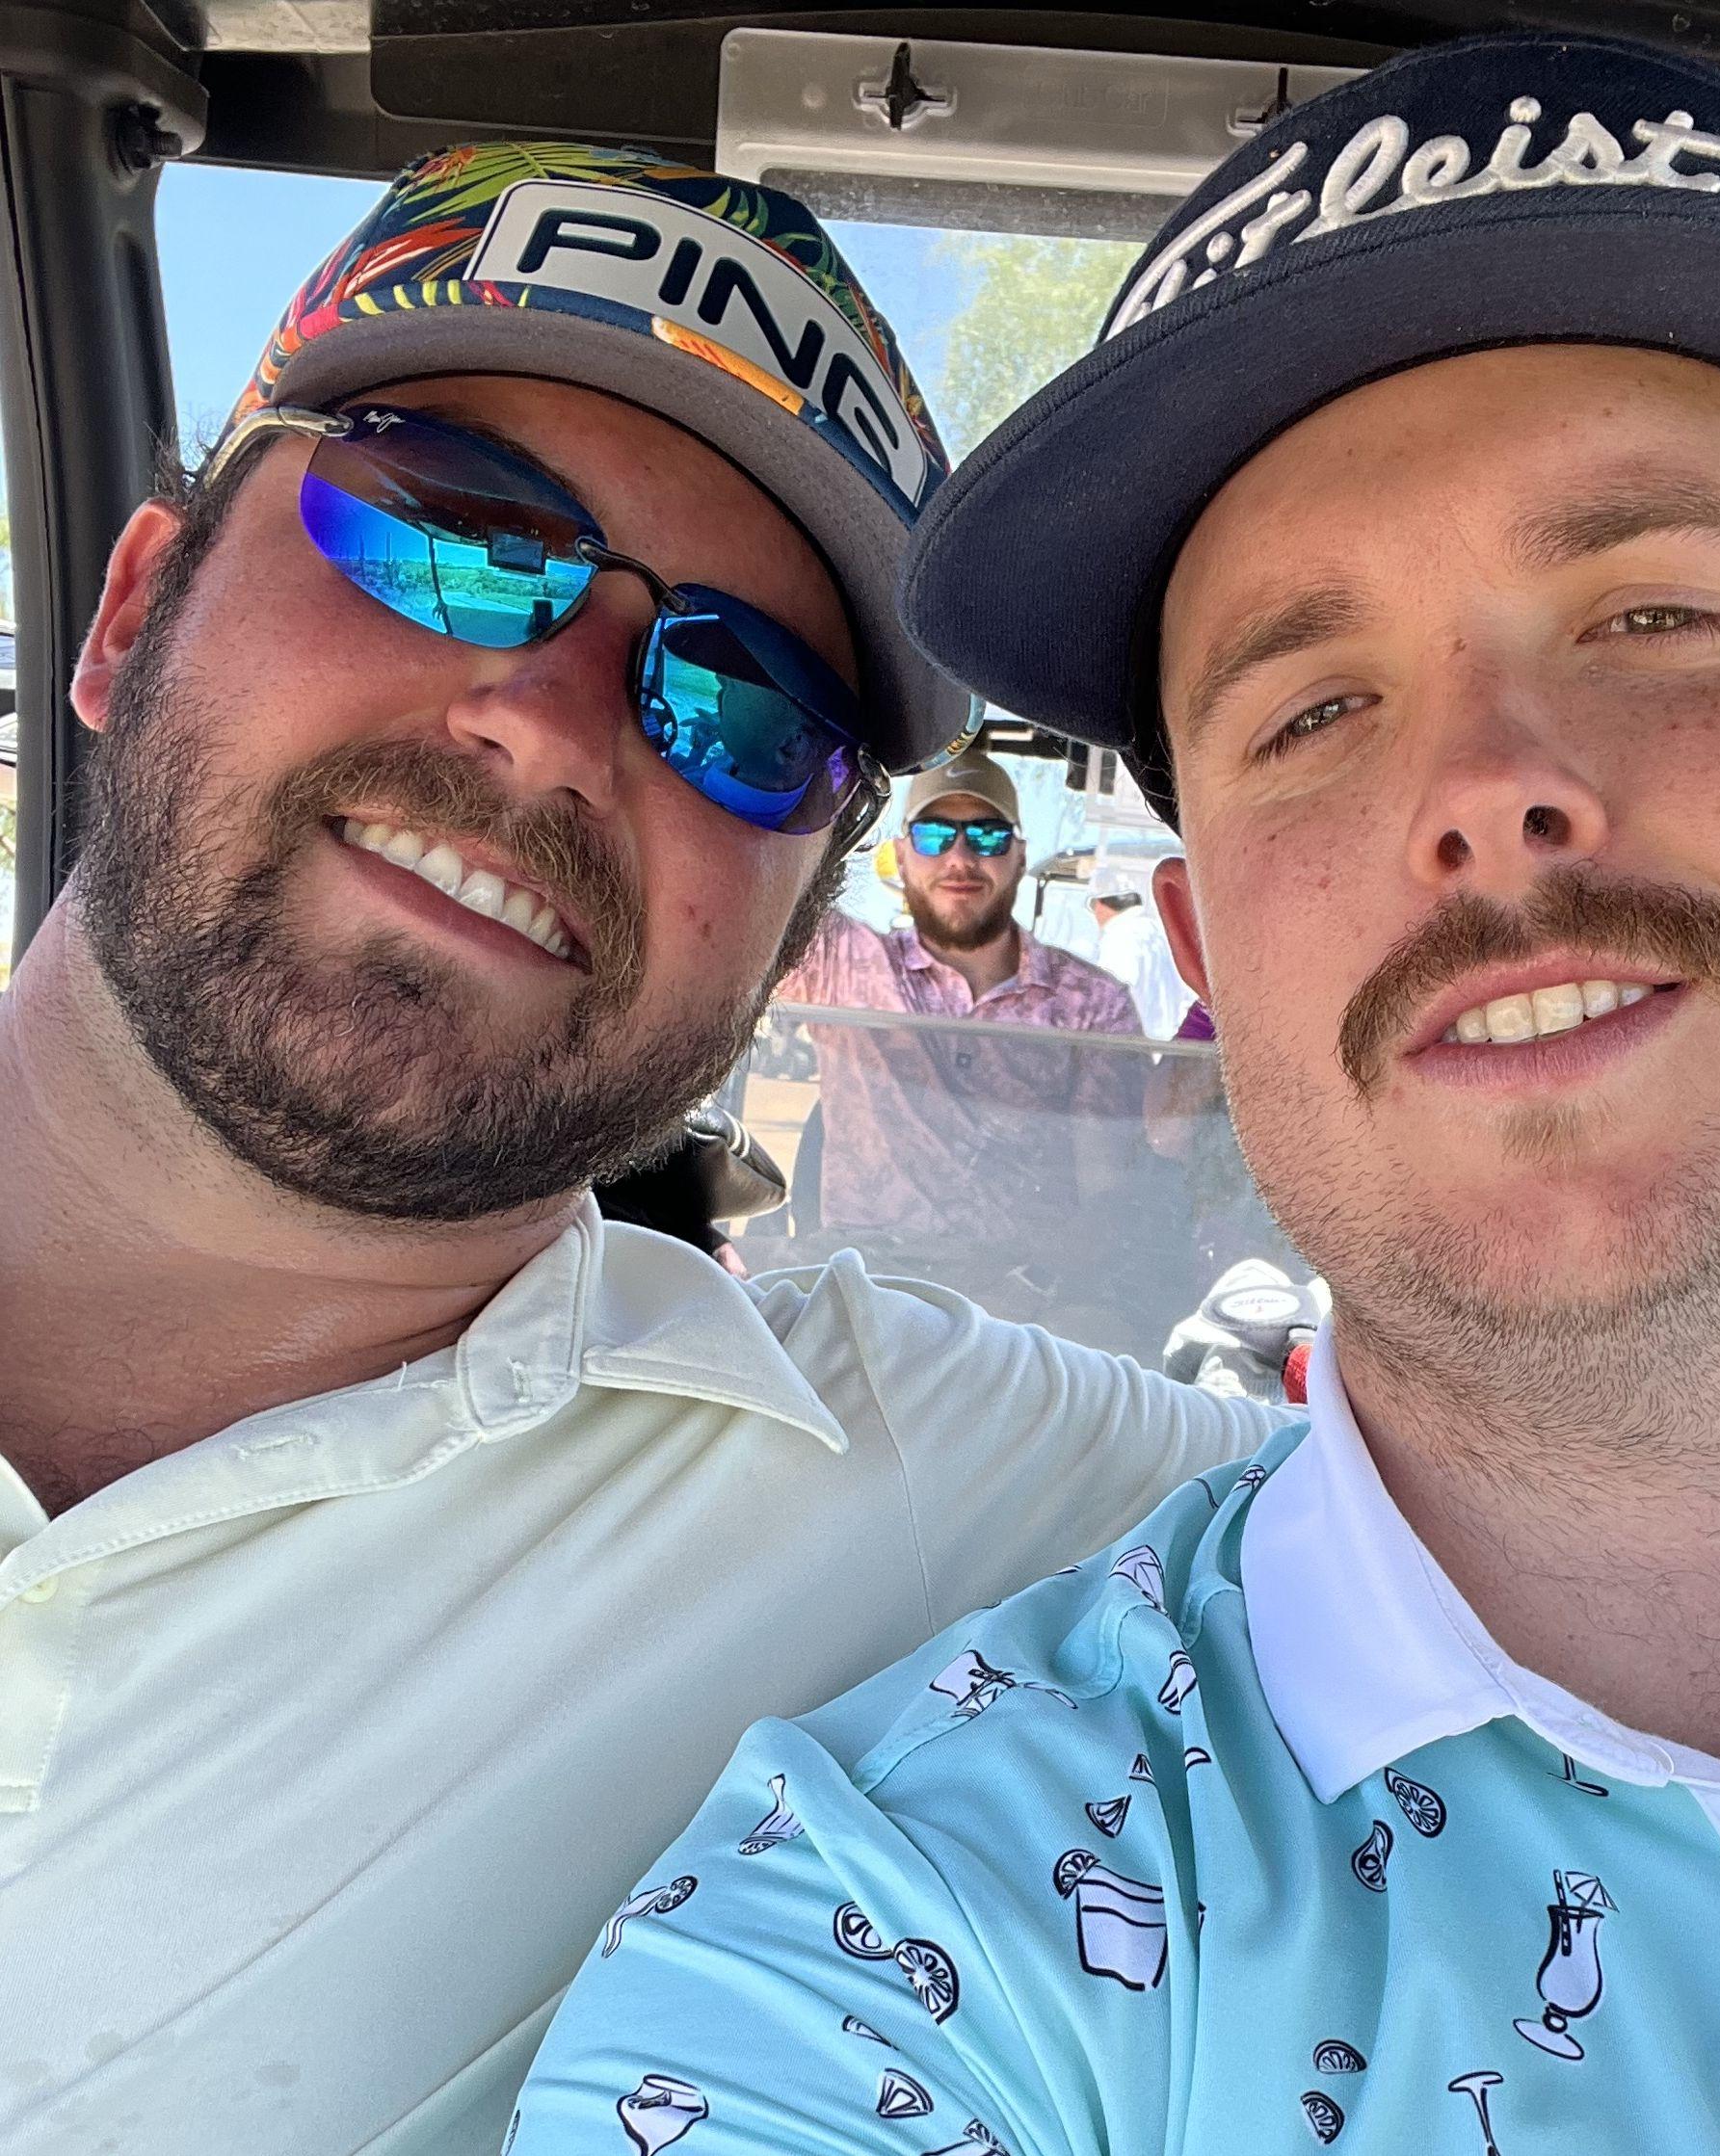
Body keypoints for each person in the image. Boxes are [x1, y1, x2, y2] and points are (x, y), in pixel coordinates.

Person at [510, 37, 1720, 2154]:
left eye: (1655, 610)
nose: (1483, 787)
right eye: (1310, 709)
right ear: (1212, 964)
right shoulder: (891, 1932)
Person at [0, 142, 1283, 2156]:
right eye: (446, 532)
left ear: (790, 935)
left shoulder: (898, 1471)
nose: (553, 720)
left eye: (749, 708)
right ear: (133, 608)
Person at [773, 752, 1152, 1328]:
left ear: (1019, 855)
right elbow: (770, 869)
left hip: (1020, 1309)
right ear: (900, 854)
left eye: (987, 835)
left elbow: (1109, 1194)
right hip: (865, 1290)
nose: (960, 857)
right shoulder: (842, 964)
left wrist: (1038, 1287)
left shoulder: (1091, 1004)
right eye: (933, 835)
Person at [1089, 856, 1193, 1039]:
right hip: (1170, 1041)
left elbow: (1111, 999)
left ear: (1100, 904)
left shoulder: (1120, 938)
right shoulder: (1158, 931)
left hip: (1136, 1045)